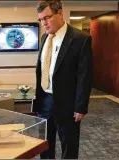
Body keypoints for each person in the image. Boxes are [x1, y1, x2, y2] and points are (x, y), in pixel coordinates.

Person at [33, 0, 93, 159]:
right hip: (45, 100)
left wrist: (81, 106)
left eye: (47, 18)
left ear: (60, 13)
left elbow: (85, 75)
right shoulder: (44, 38)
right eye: (40, 19)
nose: (43, 23)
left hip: (68, 104)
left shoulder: (80, 39)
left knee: (69, 146)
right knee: (44, 144)